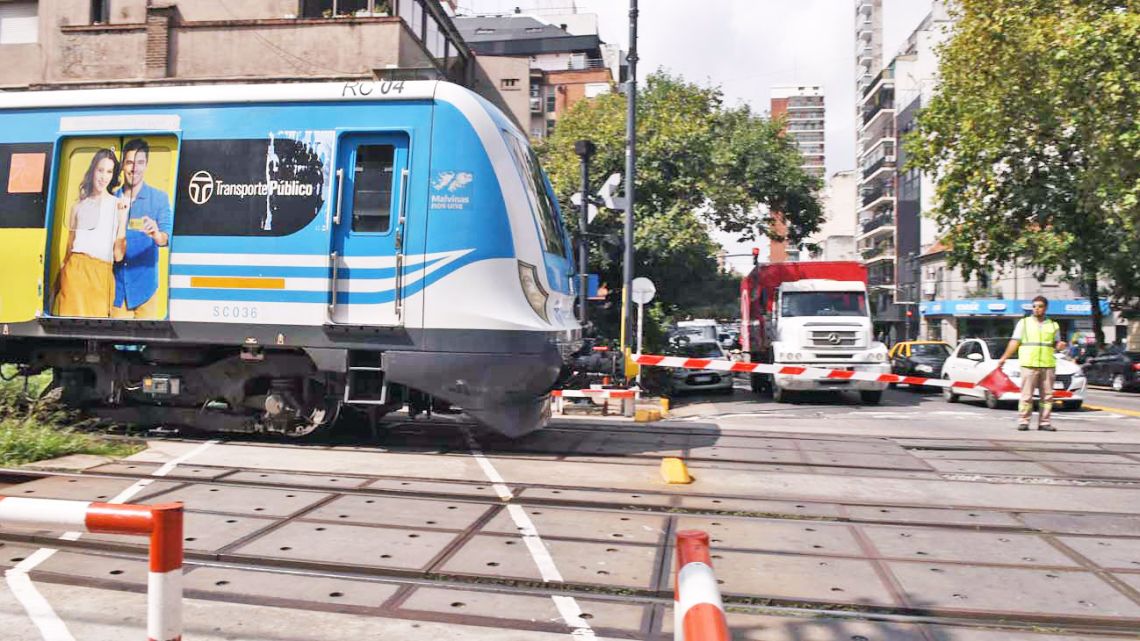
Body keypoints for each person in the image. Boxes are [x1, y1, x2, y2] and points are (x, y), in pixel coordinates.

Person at [54, 149, 129, 317]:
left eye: (109, 171)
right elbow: (69, 247)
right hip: (76, 271)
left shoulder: (118, 205)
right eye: (100, 170)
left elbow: (118, 256)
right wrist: (60, 279)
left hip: (102, 274)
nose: (104, 177)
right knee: (70, 331)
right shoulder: (78, 206)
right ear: (93, 170)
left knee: (97, 329)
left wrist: (123, 220)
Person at [111, 138, 172, 320]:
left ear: (146, 165)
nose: (134, 169)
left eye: (139, 163)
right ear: (122, 166)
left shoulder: (159, 198)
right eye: (129, 162)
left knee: (146, 344)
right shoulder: (111, 199)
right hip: (117, 288)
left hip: (146, 290)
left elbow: (166, 238)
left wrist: (156, 234)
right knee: (115, 342)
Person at [997, 295, 1067, 432]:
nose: (1036, 309)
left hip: (1047, 364)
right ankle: (1024, 421)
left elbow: (1056, 344)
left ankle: (1044, 422)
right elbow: (1014, 341)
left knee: (1047, 396)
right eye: (1034, 306)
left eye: (1040, 306)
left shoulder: (1053, 325)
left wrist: (1060, 345)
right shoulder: (1023, 323)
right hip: (1029, 363)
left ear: (1045, 308)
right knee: (1027, 395)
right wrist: (1004, 357)